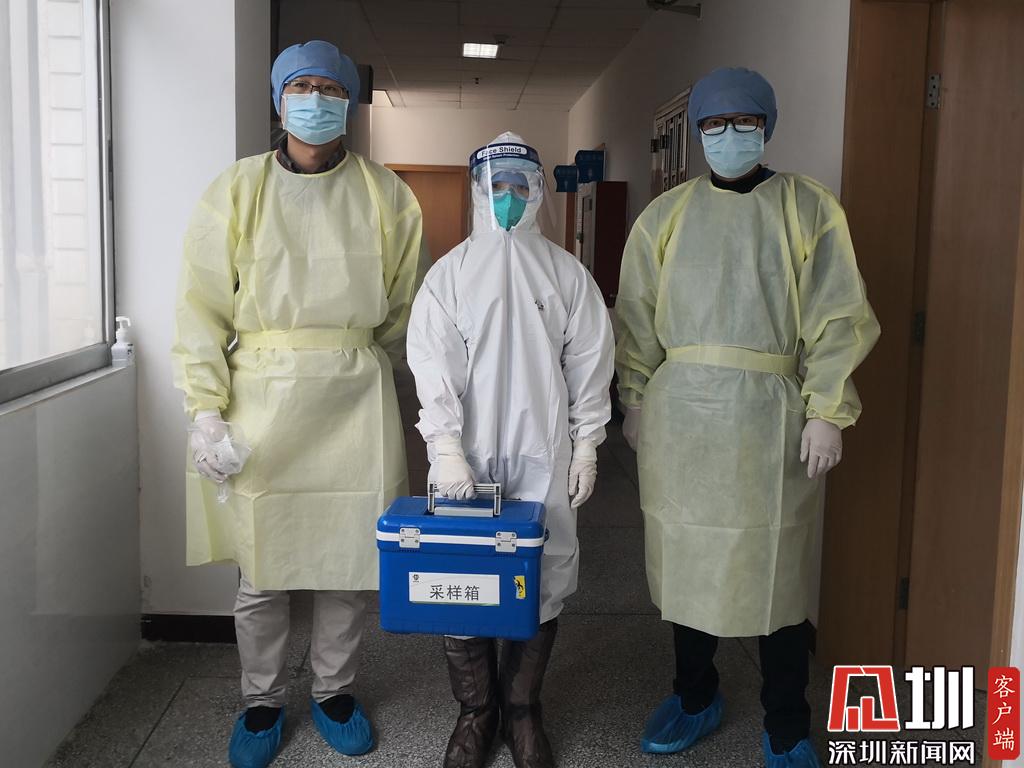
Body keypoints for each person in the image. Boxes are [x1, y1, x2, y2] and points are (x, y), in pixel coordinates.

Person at [615, 67, 880, 768]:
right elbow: (635, 315)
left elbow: (838, 313)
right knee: (689, 563)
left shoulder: (807, 208)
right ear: (697, 132)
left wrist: (828, 409)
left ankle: (787, 724)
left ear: (766, 128)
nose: (729, 135)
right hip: (682, 420)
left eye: (744, 123)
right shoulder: (664, 217)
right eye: (714, 124)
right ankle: (694, 695)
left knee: (777, 576)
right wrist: (634, 398)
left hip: (771, 420)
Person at [171, 40, 426, 768]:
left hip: (354, 394)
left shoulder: (386, 194)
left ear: (351, 103)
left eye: (331, 89)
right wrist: (206, 410)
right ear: (278, 100)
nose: (316, 100)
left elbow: (405, 308)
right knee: (263, 567)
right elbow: (199, 307)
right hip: (262, 398)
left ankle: (334, 692)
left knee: (349, 562)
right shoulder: (237, 190)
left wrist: (376, 371)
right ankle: (261, 701)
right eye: (302, 87)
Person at [406, 132, 615, 768]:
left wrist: (587, 443)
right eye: (496, 185)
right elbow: (433, 367)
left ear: (538, 190)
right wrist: (445, 448)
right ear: (478, 190)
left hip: (542, 452)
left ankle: (522, 708)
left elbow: (589, 363)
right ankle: (476, 712)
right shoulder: (449, 277)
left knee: (543, 571)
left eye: (519, 184)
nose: (508, 196)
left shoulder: (566, 274)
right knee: (462, 572)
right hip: (464, 457)